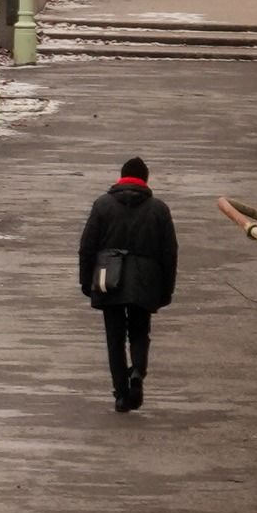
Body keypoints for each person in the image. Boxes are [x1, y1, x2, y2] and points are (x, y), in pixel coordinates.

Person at [77, 155, 178, 413]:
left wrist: (86, 281)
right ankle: (138, 373)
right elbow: (169, 253)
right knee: (139, 332)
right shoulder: (159, 209)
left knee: (114, 338)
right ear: (145, 180)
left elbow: (87, 247)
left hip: (109, 278)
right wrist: (166, 289)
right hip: (146, 282)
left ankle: (121, 394)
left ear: (120, 177)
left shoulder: (102, 206)